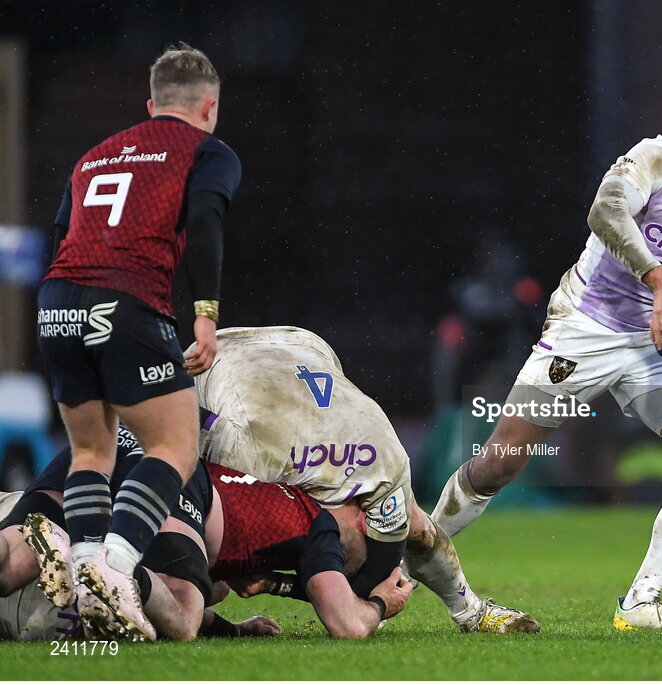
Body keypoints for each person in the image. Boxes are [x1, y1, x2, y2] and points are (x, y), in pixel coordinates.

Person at [431, 67, 662, 631]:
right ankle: (407, 557)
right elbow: (604, 213)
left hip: (661, 344)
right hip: (587, 325)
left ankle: (641, 602)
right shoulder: (658, 159)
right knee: (501, 462)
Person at [35, 42, 241, 641]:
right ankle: (115, 571)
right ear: (210, 107)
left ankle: (83, 579)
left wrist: (66, 316)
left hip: (57, 302)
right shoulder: (208, 149)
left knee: (91, 453)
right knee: (174, 446)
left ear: (151, 104)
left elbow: (59, 235)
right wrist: (204, 316)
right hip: (125, 302)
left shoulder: (93, 157)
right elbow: (205, 220)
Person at [190, 325, 540, 634]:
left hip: (306, 347)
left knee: (415, 523)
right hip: (215, 355)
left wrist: (275, 583)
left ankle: (471, 613)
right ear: (362, 516)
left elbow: (409, 533)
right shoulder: (247, 459)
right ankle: (143, 579)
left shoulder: (386, 466)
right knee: (211, 573)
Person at [6, 429, 409, 641]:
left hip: (113, 441)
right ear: (359, 516)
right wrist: (378, 603)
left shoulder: (272, 487)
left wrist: (235, 629)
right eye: (356, 563)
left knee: (10, 562)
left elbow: (228, 585)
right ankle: (102, 564)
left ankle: (68, 544)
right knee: (181, 620)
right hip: (175, 481)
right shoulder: (319, 523)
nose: (346, 569)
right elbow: (347, 625)